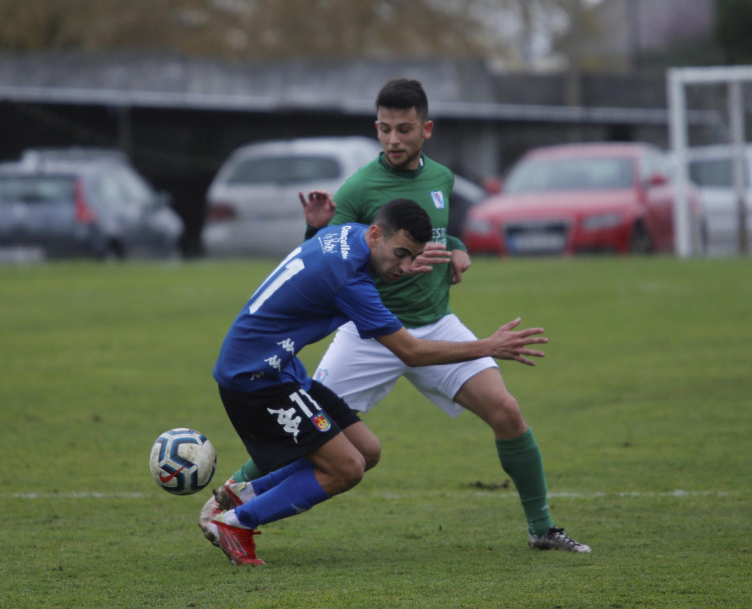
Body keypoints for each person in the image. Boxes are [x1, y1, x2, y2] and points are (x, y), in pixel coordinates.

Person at [218, 78, 591, 554]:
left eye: (404, 129)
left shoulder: (441, 179)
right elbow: (319, 263)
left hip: (436, 324)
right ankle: (231, 496)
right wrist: (311, 228)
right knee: (305, 430)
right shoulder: (359, 187)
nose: (394, 140)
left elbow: (433, 234)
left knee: (507, 410)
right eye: (385, 129)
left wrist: (456, 249)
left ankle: (541, 529)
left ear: (426, 129)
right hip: (368, 336)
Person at [200, 198, 550, 565]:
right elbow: (411, 352)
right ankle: (237, 523)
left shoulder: (343, 234)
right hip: (256, 380)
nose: (404, 266)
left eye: (412, 257)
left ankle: (245, 493)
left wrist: (390, 257)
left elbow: (316, 263)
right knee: (346, 468)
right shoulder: (350, 281)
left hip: (280, 368)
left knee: (366, 451)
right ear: (376, 233)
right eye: (400, 253)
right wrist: (488, 346)